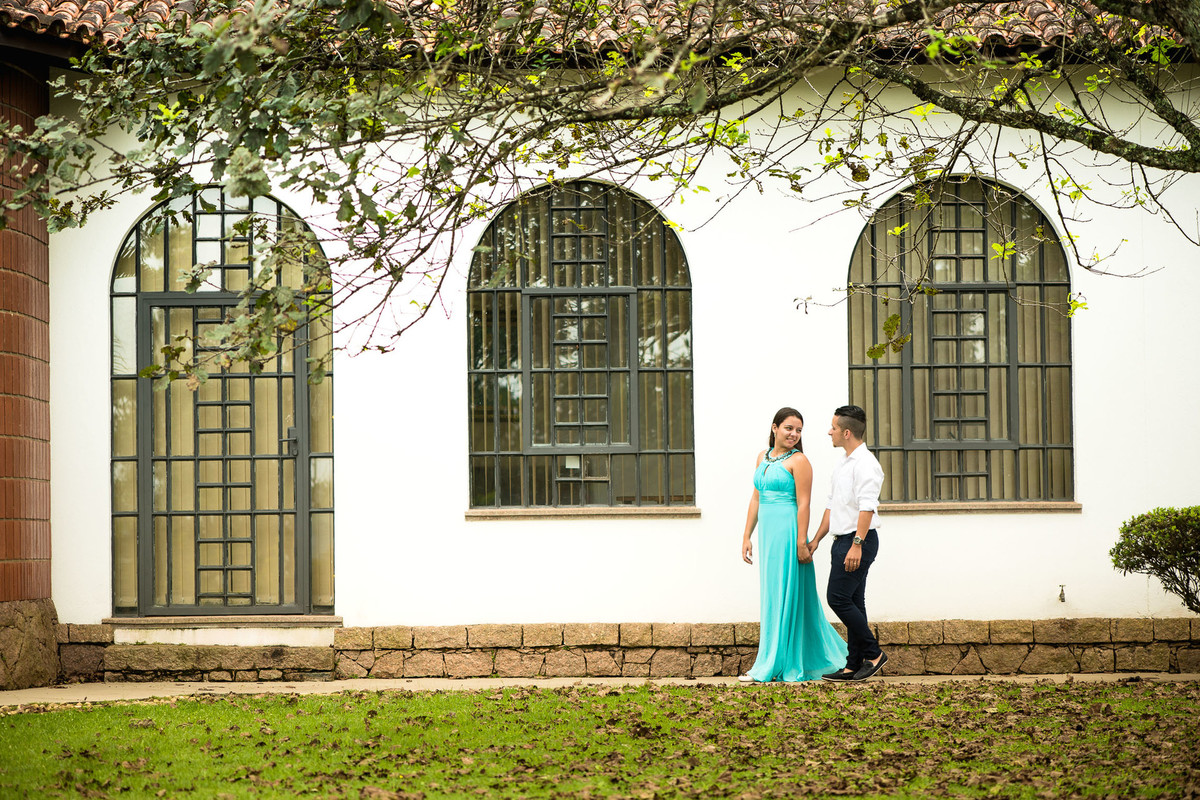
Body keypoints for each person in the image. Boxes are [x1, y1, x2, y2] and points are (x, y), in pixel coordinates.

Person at [739, 407, 849, 682]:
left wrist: (802, 540)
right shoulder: (761, 458)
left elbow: (804, 503)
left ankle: (782, 662)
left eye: (799, 430)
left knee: (787, 594)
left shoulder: (799, 461)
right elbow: (756, 498)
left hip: (789, 532)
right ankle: (769, 659)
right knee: (772, 595)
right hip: (768, 535)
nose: (794, 434)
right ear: (775, 427)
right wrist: (746, 535)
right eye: (789, 428)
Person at [808, 405, 887, 682]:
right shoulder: (843, 462)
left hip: (858, 540)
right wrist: (817, 539)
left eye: (833, 427)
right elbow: (832, 505)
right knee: (854, 602)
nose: (829, 432)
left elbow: (867, 507)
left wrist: (856, 544)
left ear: (846, 432)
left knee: (837, 598)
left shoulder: (866, 464)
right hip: (842, 540)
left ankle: (874, 653)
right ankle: (853, 665)